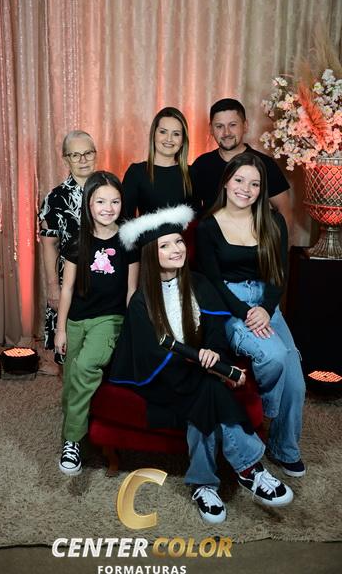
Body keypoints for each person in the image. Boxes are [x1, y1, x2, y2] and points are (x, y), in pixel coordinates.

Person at [110, 205, 293, 524]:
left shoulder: (200, 284)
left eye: (179, 241)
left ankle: (204, 485)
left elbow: (216, 333)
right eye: (165, 245)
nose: (176, 249)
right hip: (164, 382)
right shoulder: (142, 301)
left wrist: (214, 355)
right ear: (151, 254)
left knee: (205, 396)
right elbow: (150, 356)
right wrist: (209, 368)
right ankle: (251, 469)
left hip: (200, 376)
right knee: (208, 388)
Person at [196, 152, 306, 478]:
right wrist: (246, 313)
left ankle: (284, 449)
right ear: (226, 182)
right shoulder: (208, 226)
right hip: (231, 305)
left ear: (261, 189)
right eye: (240, 180)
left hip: (267, 302)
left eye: (255, 184)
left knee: (296, 379)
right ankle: (268, 413)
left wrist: (266, 309)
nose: (246, 189)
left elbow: (279, 273)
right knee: (274, 356)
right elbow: (213, 281)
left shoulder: (273, 221)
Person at [54, 172, 139, 475]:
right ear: (89, 204)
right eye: (101, 201)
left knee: (86, 366)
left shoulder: (128, 239)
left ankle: (72, 440)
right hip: (76, 319)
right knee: (71, 380)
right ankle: (78, 421)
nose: (108, 208)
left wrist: (131, 331)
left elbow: (131, 290)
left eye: (115, 201)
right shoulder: (77, 241)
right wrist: (60, 329)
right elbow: (66, 288)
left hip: (110, 319)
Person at [38, 130, 97, 362]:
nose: (83, 160)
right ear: (65, 159)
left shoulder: (109, 190)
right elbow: (49, 245)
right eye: (75, 155)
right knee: (69, 348)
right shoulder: (54, 199)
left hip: (106, 279)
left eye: (88, 153)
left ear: (95, 154)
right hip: (69, 283)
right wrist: (53, 287)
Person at [191, 98, 292, 231]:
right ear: (211, 129)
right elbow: (192, 212)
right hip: (209, 241)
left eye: (233, 125)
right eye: (219, 126)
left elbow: (284, 211)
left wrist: (278, 244)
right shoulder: (201, 164)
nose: (226, 133)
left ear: (245, 126)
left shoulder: (265, 164)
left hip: (252, 242)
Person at [122, 107, 197, 217]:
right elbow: (125, 218)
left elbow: (197, 219)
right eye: (163, 132)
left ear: (182, 141)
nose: (169, 139)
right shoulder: (136, 173)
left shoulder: (192, 174)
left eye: (176, 134)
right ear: (153, 135)